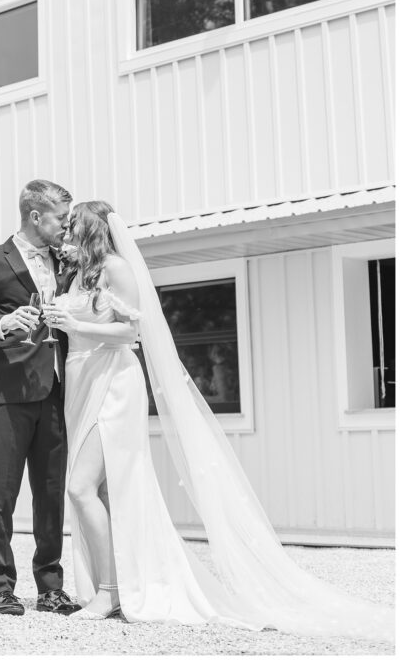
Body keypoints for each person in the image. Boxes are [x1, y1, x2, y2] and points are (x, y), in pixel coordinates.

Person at [45, 201, 394, 641]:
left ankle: (111, 590)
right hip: (79, 381)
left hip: (112, 381)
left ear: (92, 229)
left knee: (79, 487)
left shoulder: (116, 268)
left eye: (73, 225)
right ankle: (115, 581)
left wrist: (75, 325)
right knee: (101, 489)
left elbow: (129, 333)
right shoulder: (81, 273)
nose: (67, 234)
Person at [0, 179, 80, 617]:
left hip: (56, 392)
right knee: (2, 494)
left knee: (51, 493)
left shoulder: (65, 263)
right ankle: (0, 589)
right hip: (7, 394)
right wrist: (4, 323)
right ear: (35, 216)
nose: (65, 227)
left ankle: (50, 587)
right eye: (60, 219)